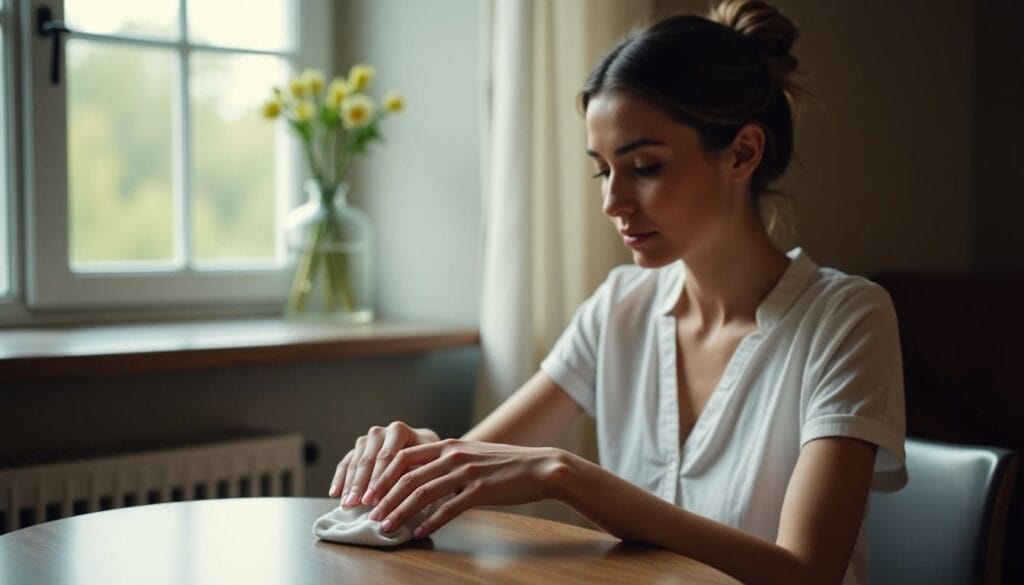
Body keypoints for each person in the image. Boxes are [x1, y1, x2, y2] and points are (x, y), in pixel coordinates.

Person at [328, 1, 906, 583]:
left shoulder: (845, 318)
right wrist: (424, 453)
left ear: (742, 152)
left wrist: (566, 476)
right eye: (603, 169)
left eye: (646, 166)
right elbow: (477, 462)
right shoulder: (620, 306)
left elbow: (806, 572)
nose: (613, 202)